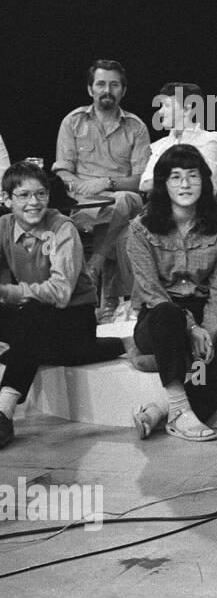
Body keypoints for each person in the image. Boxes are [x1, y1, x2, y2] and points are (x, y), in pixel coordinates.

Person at [125, 145, 217, 442]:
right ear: (163, 184)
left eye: (193, 176)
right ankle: (181, 409)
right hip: (158, 316)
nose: (185, 184)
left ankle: (162, 411)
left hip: (202, 312)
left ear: (204, 181)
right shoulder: (140, 230)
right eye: (175, 177)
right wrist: (191, 328)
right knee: (168, 313)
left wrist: (207, 331)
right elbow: (152, 292)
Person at [0, 162, 124, 448]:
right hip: (36, 317)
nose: (34, 203)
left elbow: (60, 292)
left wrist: (9, 292)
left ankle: (4, 411)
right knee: (31, 323)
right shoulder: (5, 225)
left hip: (72, 315)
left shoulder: (62, 228)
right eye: (23, 195)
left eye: (41, 194)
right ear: (7, 200)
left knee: (30, 317)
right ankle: (121, 344)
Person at [53, 59, 151, 323]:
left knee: (125, 201)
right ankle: (109, 303)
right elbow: (61, 170)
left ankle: (93, 266)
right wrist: (80, 188)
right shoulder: (72, 123)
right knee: (125, 232)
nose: (107, 90)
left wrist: (107, 183)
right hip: (84, 207)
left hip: (123, 201)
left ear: (123, 90)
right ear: (90, 89)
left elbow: (142, 178)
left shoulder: (136, 127)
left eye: (114, 84)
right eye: (101, 84)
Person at [140, 83, 217, 193]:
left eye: (167, 106)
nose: (160, 111)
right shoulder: (161, 145)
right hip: (161, 207)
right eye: (162, 105)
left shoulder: (209, 141)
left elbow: (206, 188)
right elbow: (144, 185)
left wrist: (161, 180)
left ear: (187, 110)